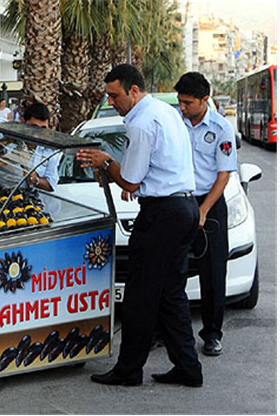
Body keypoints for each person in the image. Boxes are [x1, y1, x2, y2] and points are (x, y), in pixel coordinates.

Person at [76, 64, 203, 387]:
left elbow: (130, 181)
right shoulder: (166, 112)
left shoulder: (142, 123)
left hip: (163, 215)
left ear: (134, 91)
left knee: (140, 296)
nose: (111, 102)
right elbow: (147, 173)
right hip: (184, 208)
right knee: (170, 293)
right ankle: (188, 367)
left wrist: (105, 161)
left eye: (115, 95)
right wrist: (129, 177)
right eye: (107, 96)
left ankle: (129, 369)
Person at [175, 72, 238, 357]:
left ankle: (212, 334)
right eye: (180, 101)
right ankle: (166, 331)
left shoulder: (221, 128)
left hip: (209, 204)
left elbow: (224, 175)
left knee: (213, 272)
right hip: (178, 201)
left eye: (188, 102)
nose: (183, 107)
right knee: (171, 269)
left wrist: (203, 210)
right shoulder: (175, 122)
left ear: (204, 100)